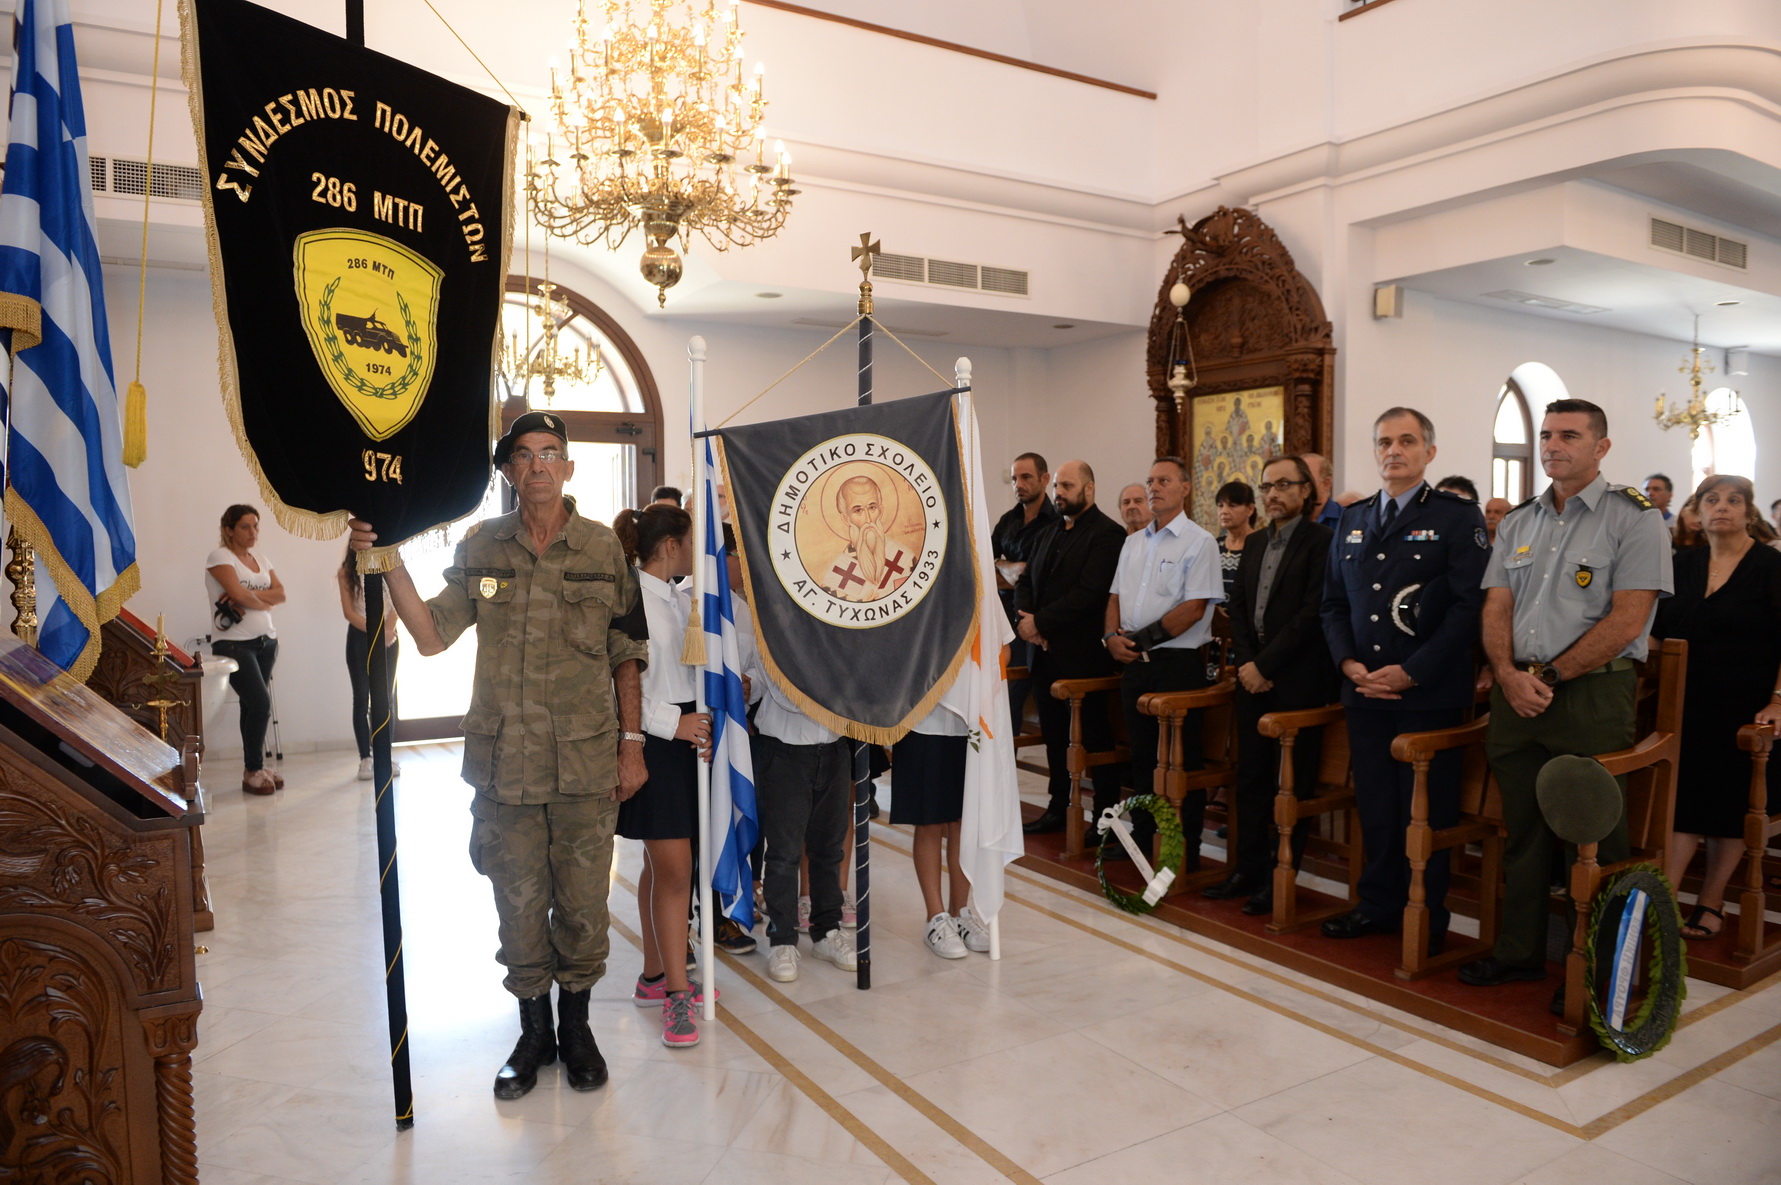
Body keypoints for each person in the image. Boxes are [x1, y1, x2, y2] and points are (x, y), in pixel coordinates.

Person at [347, 409, 649, 1098]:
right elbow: (428, 634)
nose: (537, 464)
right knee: (517, 905)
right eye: (523, 454)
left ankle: (576, 1029)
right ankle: (533, 1029)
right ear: (508, 471)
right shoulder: (483, 546)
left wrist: (632, 746)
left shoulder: (604, 551)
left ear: (569, 467)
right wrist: (387, 558)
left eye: (550, 452)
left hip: (584, 764)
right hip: (505, 766)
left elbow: (625, 656)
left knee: (581, 907)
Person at [1461, 398, 1671, 990]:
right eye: (1547, 435)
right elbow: (1497, 603)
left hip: (1588, 697)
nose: (1553, 445)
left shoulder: (1634, 517)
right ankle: (1520, 950)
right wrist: (1505, 673)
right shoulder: (1522, 519)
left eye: (1569, 436)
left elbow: (1629, 619)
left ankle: (1607, 972)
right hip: (1516, 693)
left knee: (1596, 836)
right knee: (1522, 833)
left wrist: (1546, 679)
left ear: (1600, 447)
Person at [1319, 408, 1488, 951]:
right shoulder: (1353, 518)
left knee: (1427, 812)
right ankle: (1378, 904)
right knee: (1376, 805)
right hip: (1364, 688)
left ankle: (1427, 913)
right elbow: (1334, 605)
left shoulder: (1458, 517)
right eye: (1384, 442)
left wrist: (1412, 673)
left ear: (1429, 453)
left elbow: (1468, 609)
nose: (1394, 450)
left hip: (1427, 694)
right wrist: (1348, 664)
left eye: (1407, 441)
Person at [1205, 456, 1339, 914]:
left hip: (1298, 679)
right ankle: (1246, 869)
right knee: (1252, 779)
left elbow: (1311, 614)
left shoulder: (1322, 542)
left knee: (1293, 784)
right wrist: (1247, 661)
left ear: (1306, 490)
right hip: (1250, 676)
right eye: (1267, 486)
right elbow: (1237, 607)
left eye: (1284, 485)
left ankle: (1281, 875)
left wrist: (1265, 665)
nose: (1273, 494)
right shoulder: (1257, 541)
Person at [1653, 475, 1781, 940]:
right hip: (1685, 701)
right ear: (1697, 512)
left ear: (1748, 512)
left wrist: (1778, 701)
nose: (1721, 507)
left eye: (1733, 500)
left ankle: (1711, 901)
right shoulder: (1681, 564)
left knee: (1729, 803)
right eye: (1711, 500)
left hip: (1747, 707)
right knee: (1681, 801)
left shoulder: (1770, 565)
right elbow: (1656, 628)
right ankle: (1662, 901)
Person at [611, 504, 712, 1048]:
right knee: (676, 872)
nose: (694, 550)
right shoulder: (633, 600)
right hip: (655, 739)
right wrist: (677, 724)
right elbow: (625, 687)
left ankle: (655, 975)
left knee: (662, 865)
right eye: (690, 540)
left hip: (682, 737)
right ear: (670, 545)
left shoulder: (676, 595)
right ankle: (677, 996)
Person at [1106, 458, 1224, 860]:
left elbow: (1193, 608)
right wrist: (1110, 637)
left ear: (1185, 488)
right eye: (1150, 480)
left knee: (1180, 761)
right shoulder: (1133, 542)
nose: (1154, 487)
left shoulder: (1199, 541)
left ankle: (1183, 845)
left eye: (1164, 480)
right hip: (1135, 663)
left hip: (1177, 664)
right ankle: (1142, 836)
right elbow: (1115, 597)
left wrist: (1138, 641)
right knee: (1141, 758)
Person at [1014, 460, 1127, 835]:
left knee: (1094, 740)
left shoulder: (1108, 534)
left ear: (1089, 489)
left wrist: (1040, 623)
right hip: (1044, 656)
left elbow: (1089, 593)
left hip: (1083, 659)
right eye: (1058, 486)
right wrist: (1028, 621)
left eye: (1067, 486)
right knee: (1055, 739)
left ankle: (1106, 817)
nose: (1059, 493)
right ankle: (1058, 807)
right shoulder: (1048, 532)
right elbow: (1025, 579)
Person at [752, 651, 858, 983]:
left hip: (834, 747)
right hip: (784, 751)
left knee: (829, 849)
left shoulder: (834, 627)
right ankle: (782, 939)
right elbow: (788, 694)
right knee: (784, 854)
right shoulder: (773, 628)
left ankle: (827, 931)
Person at [894, 688, 991, 958]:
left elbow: (1003, 650)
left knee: (964, 819)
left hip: (969, 721)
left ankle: (960, 912)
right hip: (924, 717)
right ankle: (935, 917)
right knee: (929, 819)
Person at [207, 504, 286, 795]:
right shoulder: (219, 557)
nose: (253, 532)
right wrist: (264, 600)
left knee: (252, 705)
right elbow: (238, 594)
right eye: (245, 527)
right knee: (261, 703)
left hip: (266, 642)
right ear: (229, 530)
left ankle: (254, 768)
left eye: (256, 526)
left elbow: (282, 593)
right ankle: (253, 769)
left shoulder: (261, 558)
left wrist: (256, 599)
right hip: (233, 644)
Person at [995, 452, 1059, 733]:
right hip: (1000, 618)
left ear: (1045, 479)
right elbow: (982, 567)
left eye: (1026, 477)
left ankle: (1007, 767)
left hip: (1032, 622)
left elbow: (1039, 578)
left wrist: (1002, 567)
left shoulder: (1056, 523)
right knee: (994, 692)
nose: (1018, 484)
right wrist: (1006, 566)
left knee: (1012, 695)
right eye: (1014, 478)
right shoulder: (1008, 520)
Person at [337, 546, 400, 782]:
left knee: (385, 698)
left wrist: (387, 630)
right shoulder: (346, 572)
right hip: (359, 638)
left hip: (388, 637)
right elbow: (349, 613)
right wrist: (376, 632)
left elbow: (397, 604)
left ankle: (385, 755)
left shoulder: (390, 567)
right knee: (362, 697)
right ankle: (366, 758)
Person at [1215, 479, 1258, 603]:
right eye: (1220, 505)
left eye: (1232, 505)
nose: (1224, 511)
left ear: (1250, 509)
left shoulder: (1262, 544)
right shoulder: (1214, 545)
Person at [1303, 452, 1342, 529]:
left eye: (1306, 478)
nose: (1300, 484)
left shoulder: (1345, 519)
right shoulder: (1289, 520)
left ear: (1326, 483)